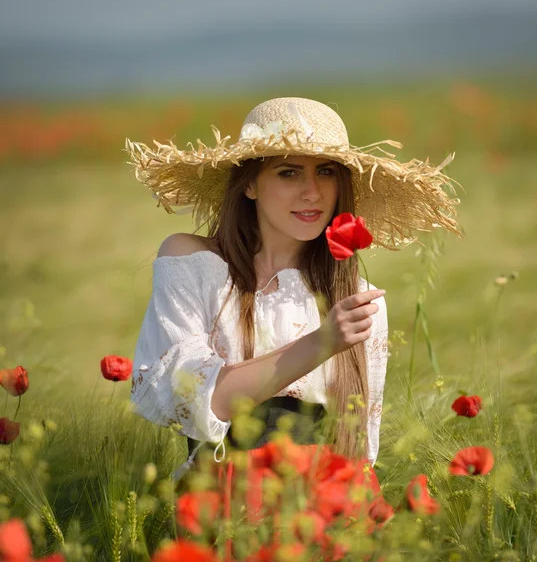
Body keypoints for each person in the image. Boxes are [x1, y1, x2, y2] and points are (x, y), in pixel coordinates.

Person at [125, 97, 460, 525]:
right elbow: (195, 398)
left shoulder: (354, 296)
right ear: (249, 184)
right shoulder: (194, 264)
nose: (313, 192)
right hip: (226, 498)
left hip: (328, 506)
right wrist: (322, 343)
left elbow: (356, 446)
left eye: (325, 172)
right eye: (289, 172)